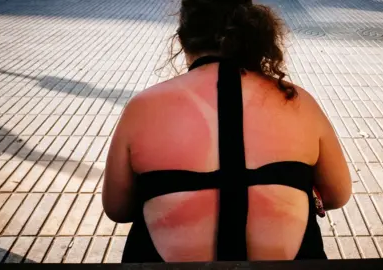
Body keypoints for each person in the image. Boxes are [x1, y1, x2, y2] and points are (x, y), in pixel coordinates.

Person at [102, 0, 352, 263]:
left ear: (183, 40)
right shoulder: (299, 101)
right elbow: (338, 193)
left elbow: (117, 209)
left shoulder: (143, 107)